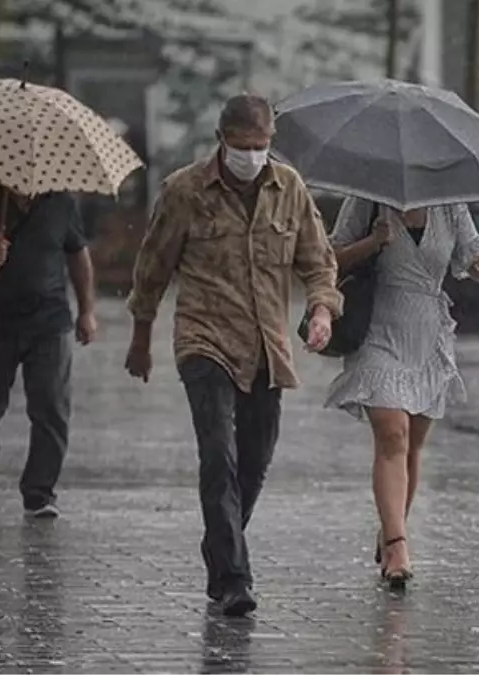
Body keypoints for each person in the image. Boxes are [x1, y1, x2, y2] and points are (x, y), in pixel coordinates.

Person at [124, 94, 342, 617]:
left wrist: (321, 310)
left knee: (255, 461)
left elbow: (318, 262)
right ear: (221, 140)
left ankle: (221, 544)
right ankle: (233, 579)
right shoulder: (184, 191)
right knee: (217, 453)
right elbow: (152, 267)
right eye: (242, 146)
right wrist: (140, 338)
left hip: (267, 345)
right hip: (204, 339)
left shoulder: (289, 188)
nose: (251, 156)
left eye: (261, 145)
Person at [324, 197, 479, 587]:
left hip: (427, 335)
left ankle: (391, 527)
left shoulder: (450, 204)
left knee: (412, 443)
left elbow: (473, 254)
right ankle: (398, 545)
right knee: (393, 433)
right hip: (377, 331)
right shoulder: (368, 200)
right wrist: (373, 242)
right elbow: (330, 259)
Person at [0, 180, 97, 518]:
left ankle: (40, 491)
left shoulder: (61, 201)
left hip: (49, 321)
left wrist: (86, 311)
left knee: (52, 405)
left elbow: (78, 254)